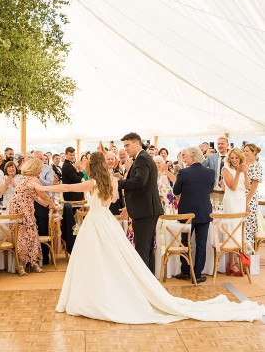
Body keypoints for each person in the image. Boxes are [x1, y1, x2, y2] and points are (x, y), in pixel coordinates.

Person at [39, 151, 264, 323]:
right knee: (110, 260)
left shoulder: (93, 183)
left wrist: (41, 186)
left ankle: (93, 297)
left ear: (91, 166)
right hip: (106, 222)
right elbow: (116, 200)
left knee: (93, 261)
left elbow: (68, 185)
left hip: (96, 223)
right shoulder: (112, 182)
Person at [118, 133, 163, 274]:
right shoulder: (142, 157)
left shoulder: (142, 158)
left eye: (127, 145)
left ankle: (145, 285)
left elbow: (139, 181)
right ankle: (149, 283)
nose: (126, 149)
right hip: (147, 209)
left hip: (145, 211)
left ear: (137, 143)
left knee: (142, 249)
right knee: (147, 249)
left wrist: (118, 183)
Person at [173, 146, 214, 283]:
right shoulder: (210, 173)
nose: (184, 158)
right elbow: (210, 189)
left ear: (192, 157)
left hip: (186, 214)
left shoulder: (184, 172)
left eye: (186, 156)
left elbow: (176, 191)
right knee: (201, 244)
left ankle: (185, 271)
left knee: (185, 242)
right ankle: (197, 274)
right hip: (204, 211)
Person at [8, 158, 56, 275]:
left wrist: (47, 205)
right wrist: (53, 205)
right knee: (24, 236)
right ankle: (22, 265)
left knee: (30, 235)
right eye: (40, 167)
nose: (41, 169)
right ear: (35, 168)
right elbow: (43, 196)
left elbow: (36, 197)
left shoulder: (22, 179)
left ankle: (32, 262)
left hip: (20, 210)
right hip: (22, 211)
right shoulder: (34, 180)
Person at [222, 148, 249, 276]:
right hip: (231, 201)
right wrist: (238, 172)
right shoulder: (226, 169)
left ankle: (236, 262)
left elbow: (247, 186)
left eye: (236, 158)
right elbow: (232, 187)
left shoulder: (242, 169)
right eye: (232, 158)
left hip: (241, 201)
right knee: (232, 230)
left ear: (240, 159)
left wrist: (245, 172)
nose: (233, 160)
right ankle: (231, 263)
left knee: (239, 231)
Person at [33, 150, 54, 265]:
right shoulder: (28, 170)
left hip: (43, 202)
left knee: (43, 228)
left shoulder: (48, 169)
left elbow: (50, 185)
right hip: (31, 201)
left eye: (41, 159)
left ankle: (45, 257)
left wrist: (38, 179)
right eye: (36, 159)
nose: (39, 161)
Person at [243, 144, 263, 248]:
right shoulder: (245, 165)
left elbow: (254, 187)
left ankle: (249, 258)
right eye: (244, 151)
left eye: (247, 151)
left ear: (253, 152)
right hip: (242, 198)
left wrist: (246, 202)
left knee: (248, 228)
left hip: (250, 200)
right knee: (242, 227)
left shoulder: (256, 165)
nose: (245, 153)